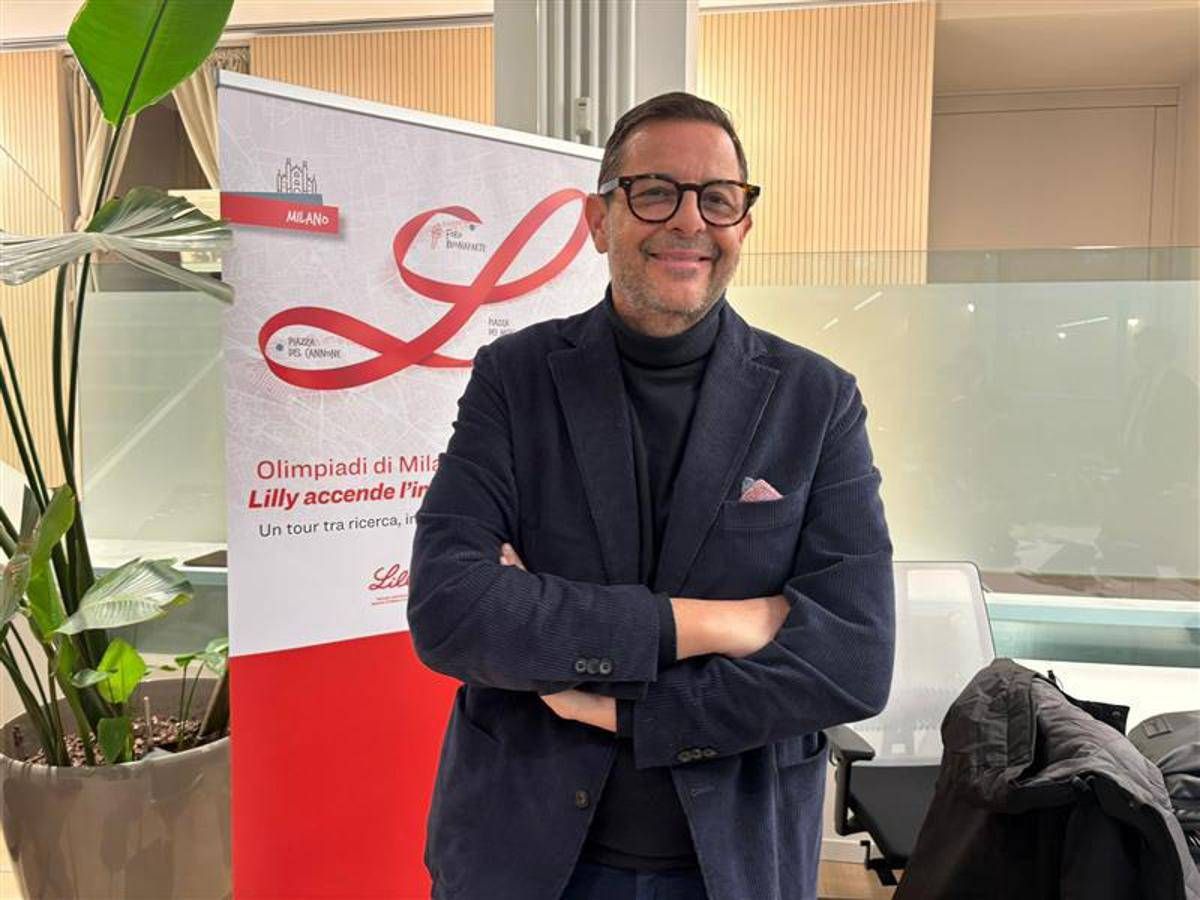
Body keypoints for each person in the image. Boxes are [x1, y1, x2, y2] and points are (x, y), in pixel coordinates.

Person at [408, 92, 895, 900]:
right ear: (600, 220)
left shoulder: (816, 401)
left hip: (731, 865)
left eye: (718, 198)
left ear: (743, 224)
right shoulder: (515, 380)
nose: (690, 221)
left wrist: (621, 710)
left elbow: (851, 664)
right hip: (523, 855)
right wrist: (713, 624)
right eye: (656, 191)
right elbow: (452, 611)